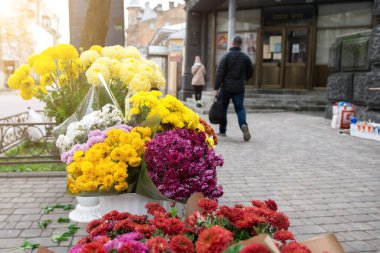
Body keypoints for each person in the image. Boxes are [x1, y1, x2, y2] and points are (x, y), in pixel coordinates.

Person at [214, 34, 253, 141]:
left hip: (226, 88)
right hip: (239, 88)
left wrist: (216, 88)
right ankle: (243, 125)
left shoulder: (226, 56)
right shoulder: (245, 57)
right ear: (241, 44)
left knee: (223, 109)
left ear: (232, 43)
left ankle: (222, 130)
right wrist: (243, 80)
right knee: (240, 108)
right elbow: (250, 72)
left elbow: (219, 73)